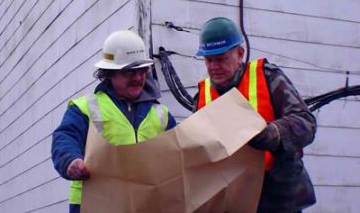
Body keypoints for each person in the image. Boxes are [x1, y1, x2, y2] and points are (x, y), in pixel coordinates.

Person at [194, 17, 317, 213]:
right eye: (209, 60)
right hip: (233, 200)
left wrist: (274, 133)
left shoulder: (268, 77)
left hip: (277, 198)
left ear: (240, 53)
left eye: (221, 58)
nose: (214, 67)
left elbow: (306, 123)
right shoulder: (202, 94)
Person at [51, 30, 177, 213]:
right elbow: (65, 136)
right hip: (94, 203)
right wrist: (70, 160)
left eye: (142, 71)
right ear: (109, 73)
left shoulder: (161, 114)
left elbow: (178, 151)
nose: (138, 78)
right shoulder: (85, 107)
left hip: (146, 204)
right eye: (129, 72)